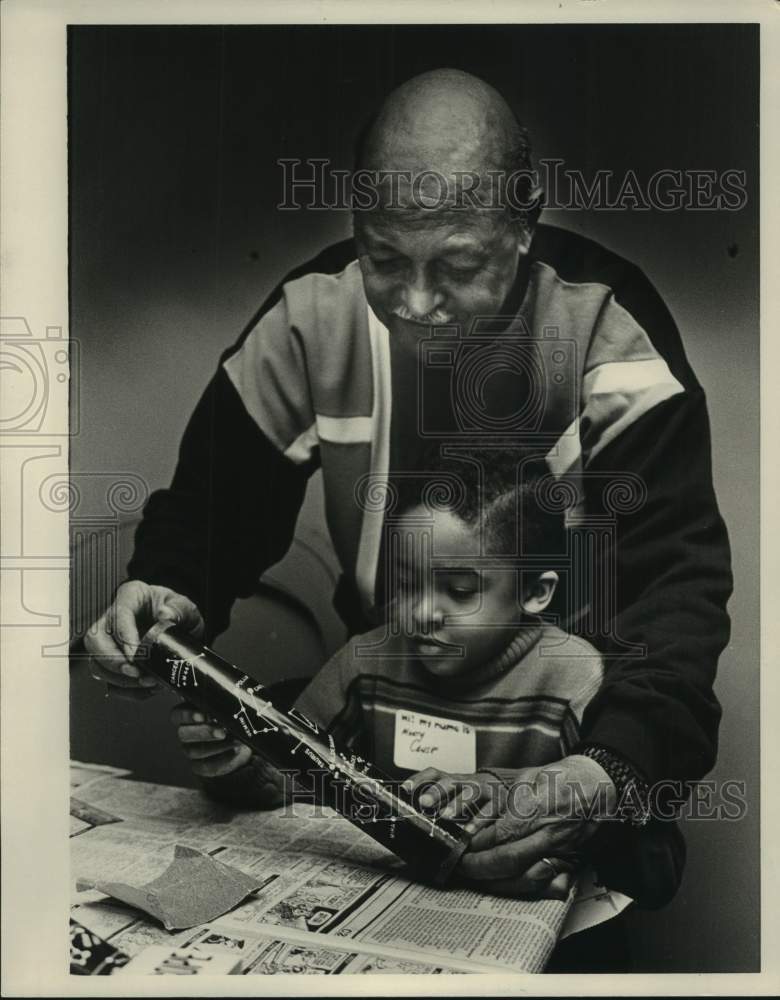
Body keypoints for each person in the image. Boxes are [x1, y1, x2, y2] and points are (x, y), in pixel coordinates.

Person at [84, 68, 732, 906]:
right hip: (383, 737)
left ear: (525, 221)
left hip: (562, 743)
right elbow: (211, 512)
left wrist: (598, 776)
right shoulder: (311, 316)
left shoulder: (610, 331)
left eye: (459, 265)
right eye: (384, 258)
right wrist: (165, 587)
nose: (418, 304)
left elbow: (674, 595)